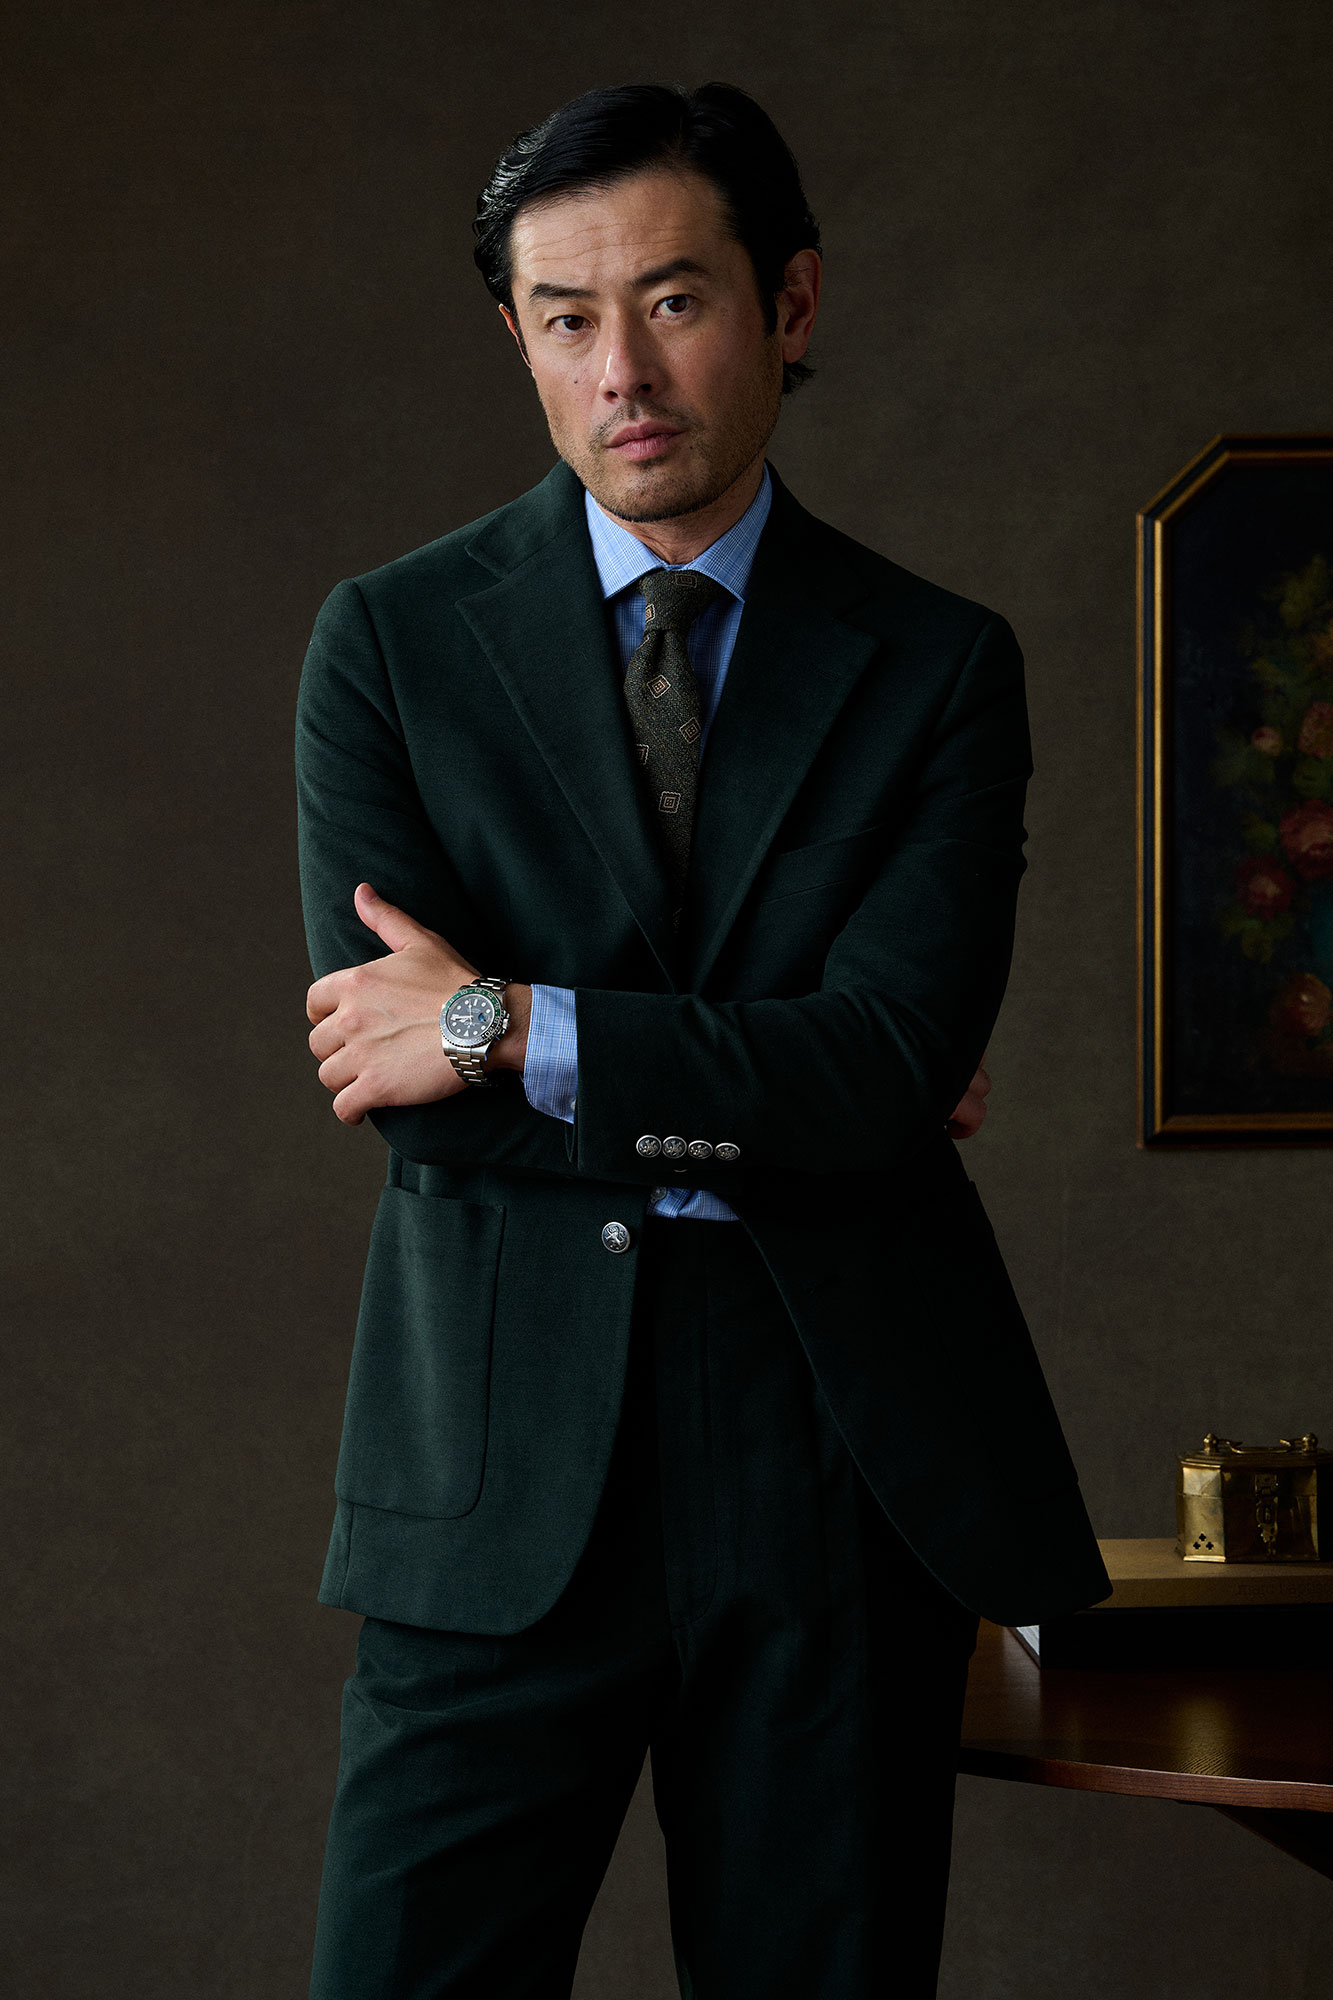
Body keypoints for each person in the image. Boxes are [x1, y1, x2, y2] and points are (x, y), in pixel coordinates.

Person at [297, 80, 1110, 2000]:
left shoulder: (935, 667)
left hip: (831, 1458)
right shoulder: (390, 645)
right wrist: (783, 1080)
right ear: (517, 337)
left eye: (672, 301)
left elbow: (881, 1066)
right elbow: (402, 1094)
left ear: (788, 302)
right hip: (498, 1457)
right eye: (564, 318)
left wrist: (503, 1020)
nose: (621, 371)